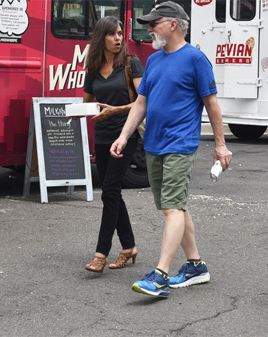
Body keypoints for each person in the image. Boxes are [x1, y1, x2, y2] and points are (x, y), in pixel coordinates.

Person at [110, 1, 232, 297]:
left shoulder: (195, 59)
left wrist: (220, 144)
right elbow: (142, 103)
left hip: (181, 144)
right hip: (153, 144)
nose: (148, 29)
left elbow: (211, 105)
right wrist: (125, 135)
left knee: (172, 207)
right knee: (176, 205)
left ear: (174, 24)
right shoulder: (153, 61)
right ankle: (195, 266)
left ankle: (161, 275)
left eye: (154, 23)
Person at [81, 16, 142, 273]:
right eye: (112, 34)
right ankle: (128, 247)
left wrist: (116, 110)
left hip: (125, 135)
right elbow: (87, 102)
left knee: (109, 190)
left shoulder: (131, 63)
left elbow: (144, 101)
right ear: (101, 38)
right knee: (112, 192)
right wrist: (75, 113)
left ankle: (101, 252)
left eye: (120, 33)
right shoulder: (93, 68)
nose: (118, 38)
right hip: (103, 135)